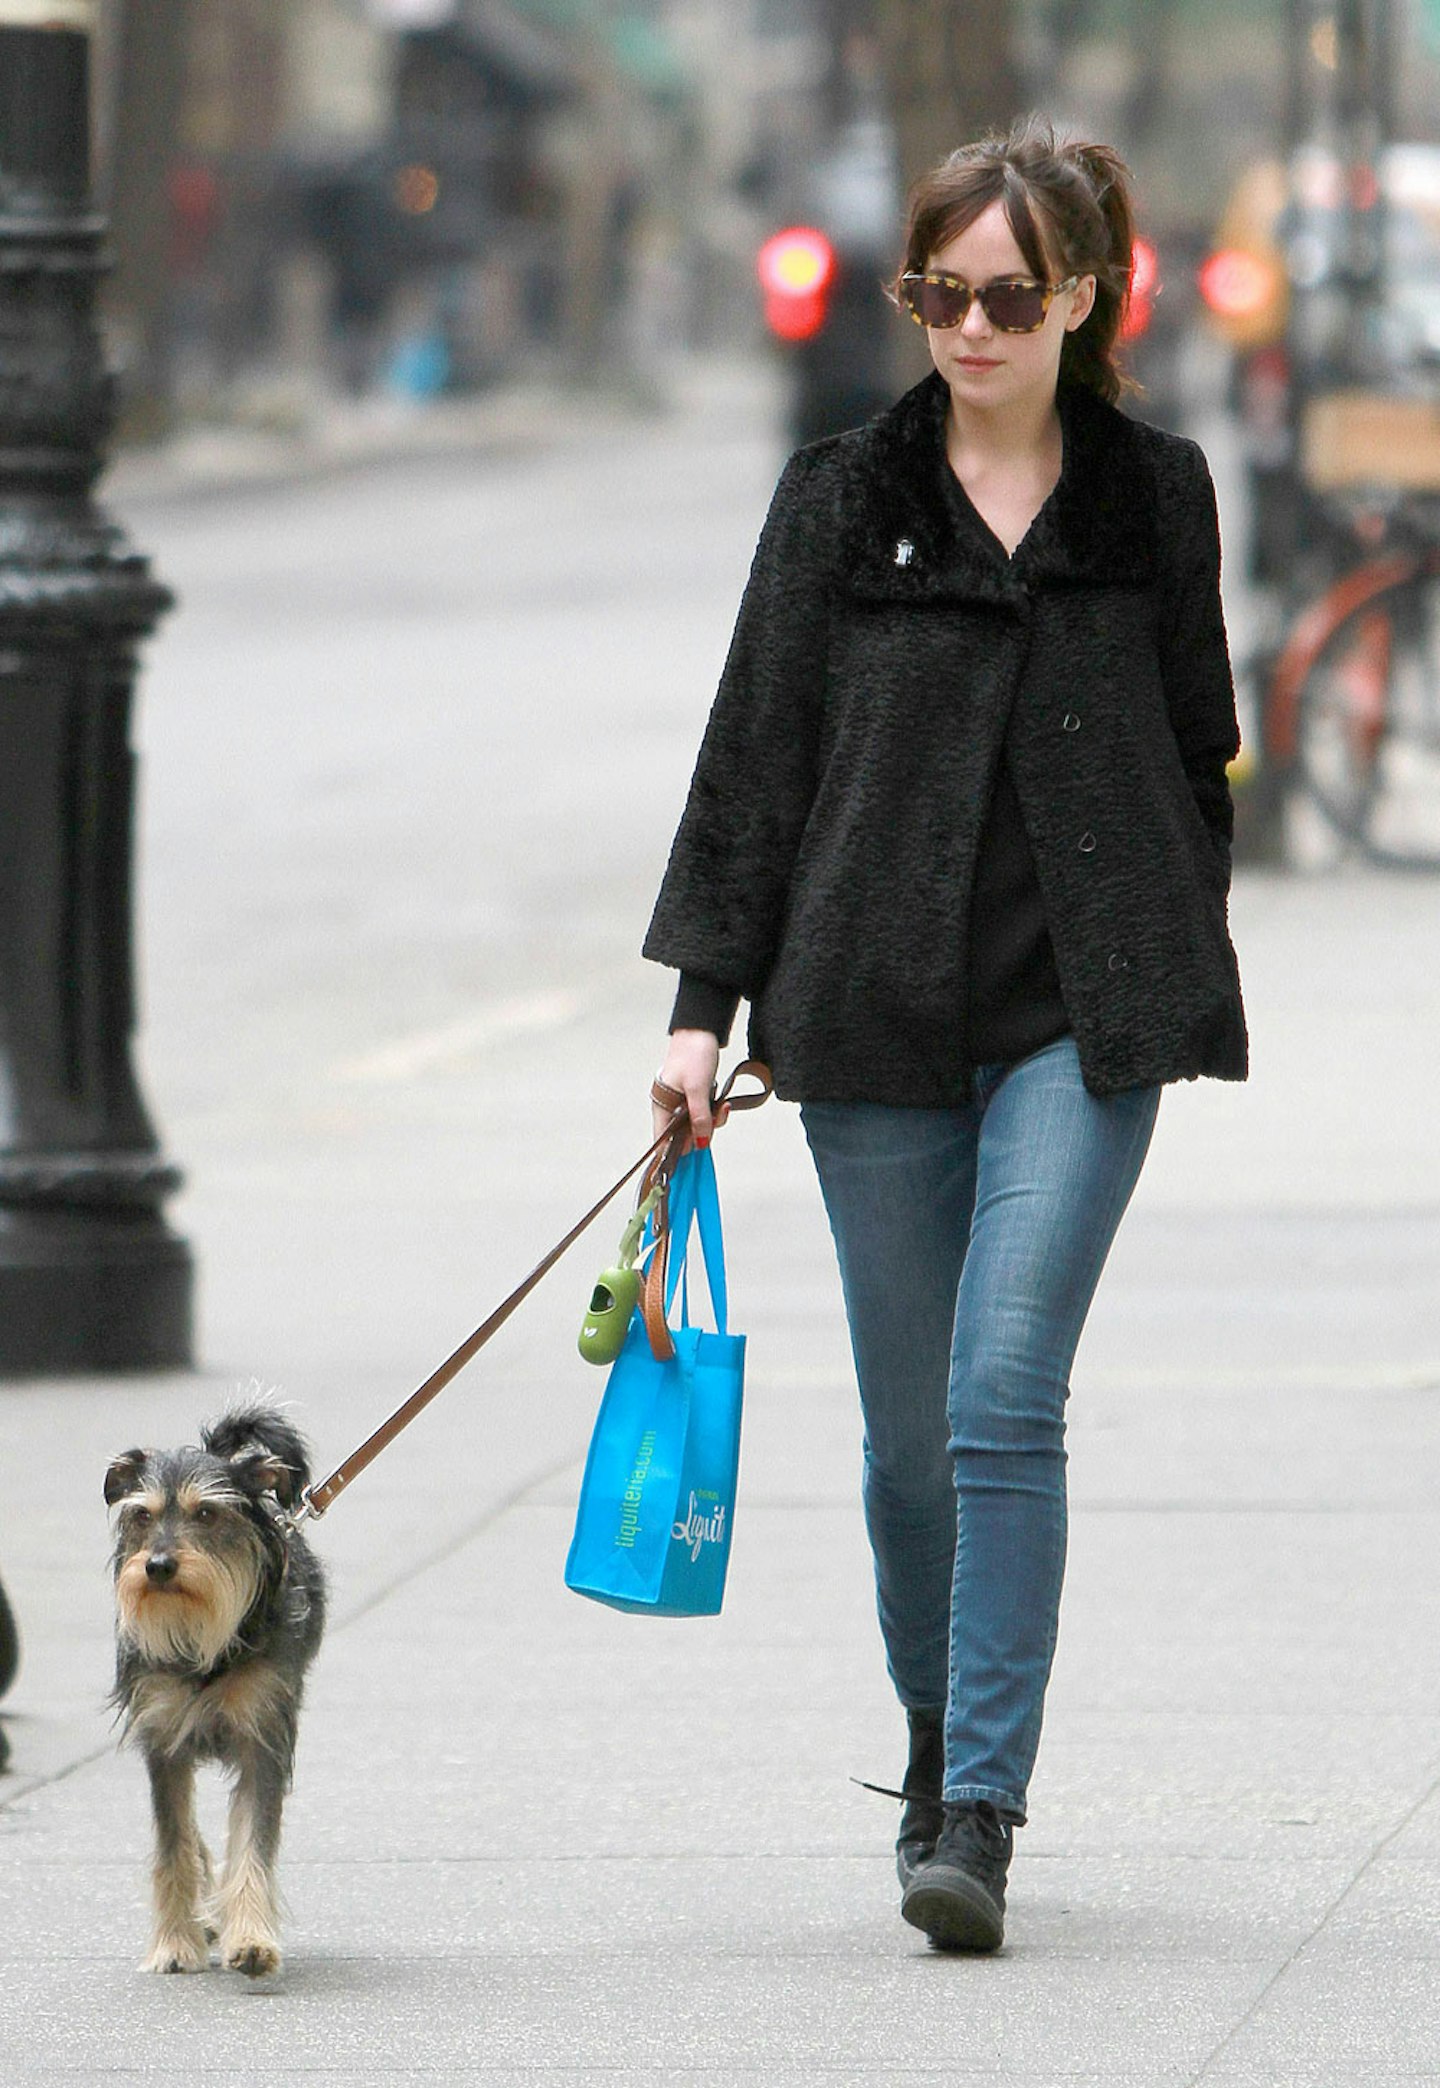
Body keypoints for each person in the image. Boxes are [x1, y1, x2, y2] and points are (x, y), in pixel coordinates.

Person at [642, 115, 1246, 1954]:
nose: (966, 331)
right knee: (909, 1450)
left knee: (1001, 1399)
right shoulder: (839, 494)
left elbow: (1202, 740)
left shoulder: (1157, 496)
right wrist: (698, 1013)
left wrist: (1160, 924)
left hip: (1083, 1018)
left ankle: (980, 1805)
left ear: (1079, 297)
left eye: (1001, 298)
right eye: (936, 296)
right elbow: (756, 756)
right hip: (873, 1022)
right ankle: (929, 1746)